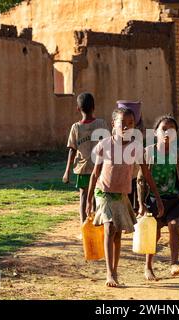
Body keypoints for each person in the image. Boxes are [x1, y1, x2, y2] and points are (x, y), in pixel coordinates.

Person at [86, 107, 164, 288]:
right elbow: (95, 174)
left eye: (131, 124)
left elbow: (146, 174)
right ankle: (109, 273)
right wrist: (89, 199)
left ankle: (115, 269)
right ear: (114, 124)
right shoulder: (105, 145)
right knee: (109, 228)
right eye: (123, 123)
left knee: (118, 234)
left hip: (121, 195)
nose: (127, 127)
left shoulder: (136, 147)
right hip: (103, 192)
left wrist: (157, 197)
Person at [137, 115, 179, 281]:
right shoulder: (149, 152)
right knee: (154, 233)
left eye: (172, 130)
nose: (167, 133)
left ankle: (174, 264)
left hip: (174, 197)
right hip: (154, 198)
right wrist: (141, 204)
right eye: (163, 129)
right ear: (155, 133)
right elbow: (141, 180)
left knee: (175, 226)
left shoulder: (178, 154)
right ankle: (148, 266)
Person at [63, 93, 110, 229]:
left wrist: (66, 172)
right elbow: (109, 145)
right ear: (94, 107)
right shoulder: (101, 123)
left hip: (85, 168)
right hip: (98, 168)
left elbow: (72, 150)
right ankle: (94, 224)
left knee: (84, 196)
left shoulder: (76, 127)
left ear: (78, 108)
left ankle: (85, 224)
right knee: (97, 195)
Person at [116, 101, 145, 213]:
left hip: (132, 171)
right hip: (128, 172)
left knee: (130, 195)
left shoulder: (137, 132)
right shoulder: (136, 131)